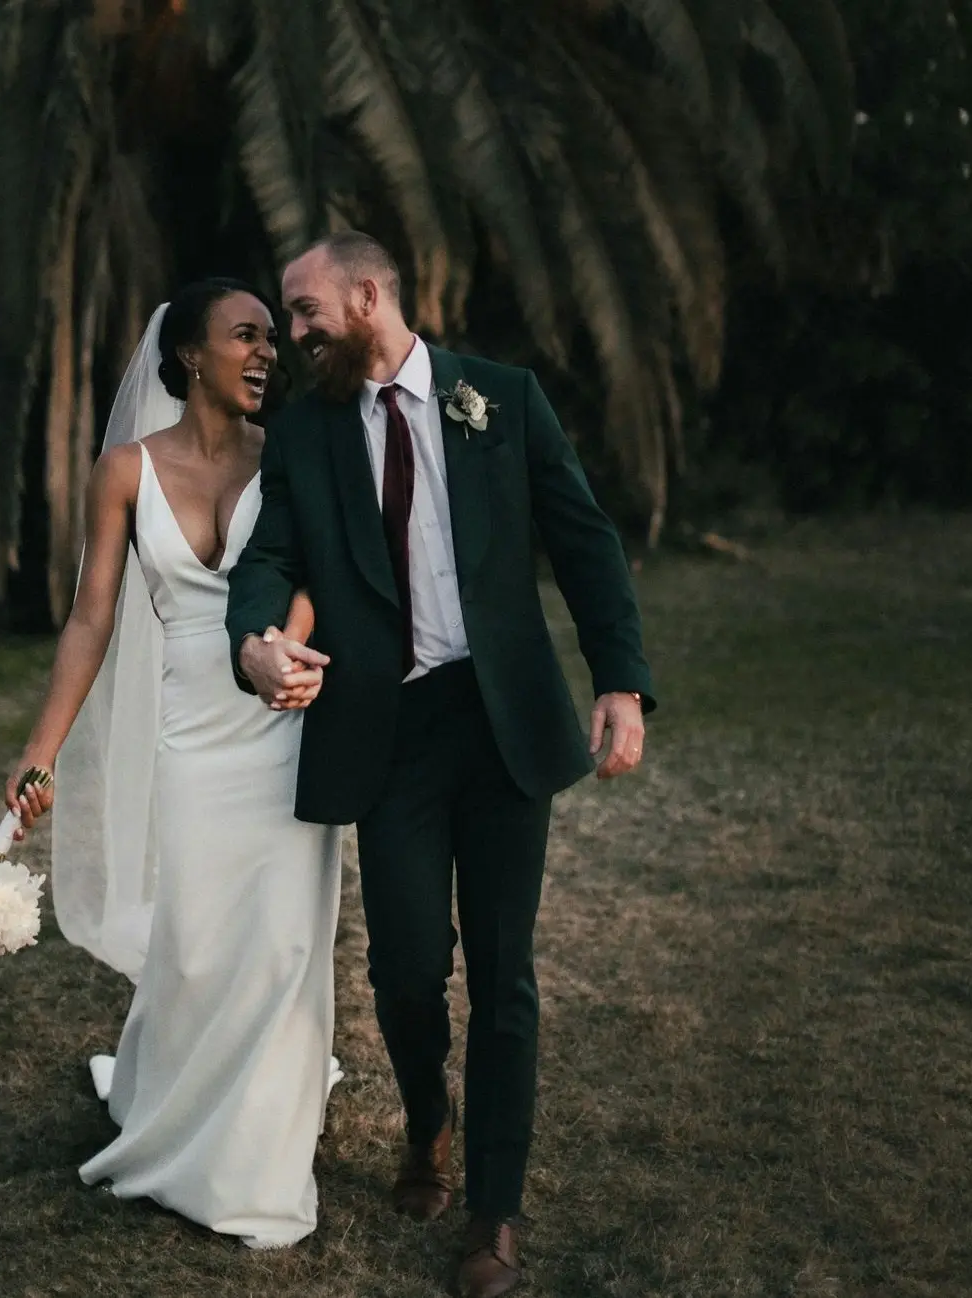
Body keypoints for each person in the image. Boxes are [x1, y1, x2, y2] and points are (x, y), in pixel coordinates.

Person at [227, 233, 655, 1297]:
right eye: (288, 315)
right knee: (407, 965)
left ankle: (493, 1216)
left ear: (369, 293)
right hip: (389, 731)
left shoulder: (501, 398)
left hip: (500, 719)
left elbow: (583, 537)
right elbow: (269, 554)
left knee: (504, 975)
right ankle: (427, 1114)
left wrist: (619, 679)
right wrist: (254, 639)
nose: (294, 331)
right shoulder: (307, 431)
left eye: (305, 307)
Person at [4, 279, 342, 1249]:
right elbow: (91, 616)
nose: (268, 351)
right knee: (194, 943)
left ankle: (258, 1162)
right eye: (247, 335)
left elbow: (312, 573)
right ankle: (177, 1105)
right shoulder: (124, 470)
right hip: (191, 736)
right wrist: (40, 751)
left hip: (281, 713)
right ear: (191, 354)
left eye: (274, 337)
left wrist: (292, 654)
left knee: (281, 940)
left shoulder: (290, 456)